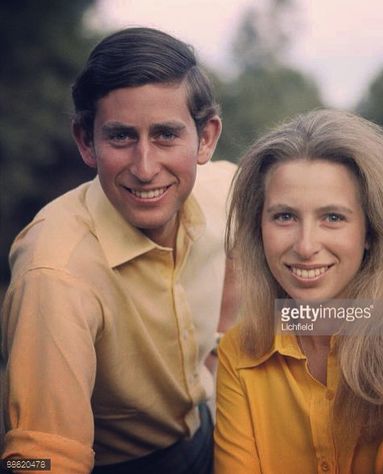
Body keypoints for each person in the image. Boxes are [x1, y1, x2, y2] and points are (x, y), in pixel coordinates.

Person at [1, 27, 237, 473]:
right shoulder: (54, 270)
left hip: (210, 428)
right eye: (121, 137)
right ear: (86, 141)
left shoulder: (225, 190)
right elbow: (39, 458)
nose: (145, 168)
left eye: (166, 135)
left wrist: (224, 342)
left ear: (206, 138)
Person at [214, 109, 383, 473]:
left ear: (370, 230)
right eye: (284, 216)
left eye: (333, 217)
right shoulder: (239, 349)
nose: (306, 246)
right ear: (259, 228)